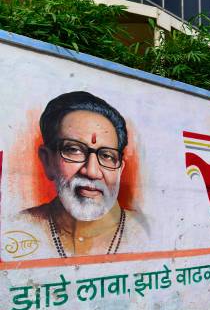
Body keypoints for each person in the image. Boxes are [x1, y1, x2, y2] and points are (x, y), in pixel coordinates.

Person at [18, 91, 146, 258]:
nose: (92, 172)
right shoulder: (18, 227)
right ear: (47, 161)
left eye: (107, 156)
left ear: (119, 170)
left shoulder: (144, 231)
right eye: (74, 150)